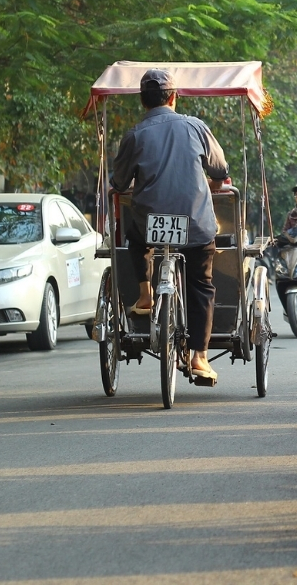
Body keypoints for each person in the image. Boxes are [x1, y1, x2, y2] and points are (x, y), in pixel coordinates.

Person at [111, 69, 228, 382]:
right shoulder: (195, 126)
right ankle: (200, 357)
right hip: (196, 225)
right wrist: (216, 181)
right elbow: (220, 168)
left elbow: (119, 181)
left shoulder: (134, 135)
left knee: (136, 236)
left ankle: (146, 291)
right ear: (174, 97)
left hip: (150, 225)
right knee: (201, 284)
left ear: (142, 101)